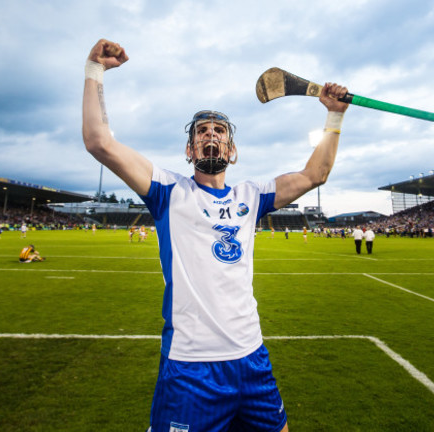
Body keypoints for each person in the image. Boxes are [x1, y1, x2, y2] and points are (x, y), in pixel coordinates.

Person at [82, 38, 349, 432]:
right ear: (189, 150)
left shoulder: (252, 195)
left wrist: (335, 117)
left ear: (232, 149)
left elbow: (315, 175)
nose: (211, 135)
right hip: (191, 367)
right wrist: (94, 71)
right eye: (202, 131)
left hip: (252, 358)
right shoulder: (168, 190)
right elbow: (99, 142)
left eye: (219, 130)